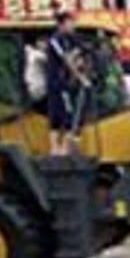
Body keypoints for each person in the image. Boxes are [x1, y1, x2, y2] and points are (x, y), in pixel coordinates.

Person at [45, 12, 92, 156]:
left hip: (66, 83)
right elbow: (66, 60)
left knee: (67, 116)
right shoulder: (55, 40)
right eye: (70, 22)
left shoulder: (70, 40)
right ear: (62, 24)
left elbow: (78, 56)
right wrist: (81, 78)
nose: (73, 26)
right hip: (57, 84)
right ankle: (58, 149)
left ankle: (64, 148)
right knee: (61, 116)